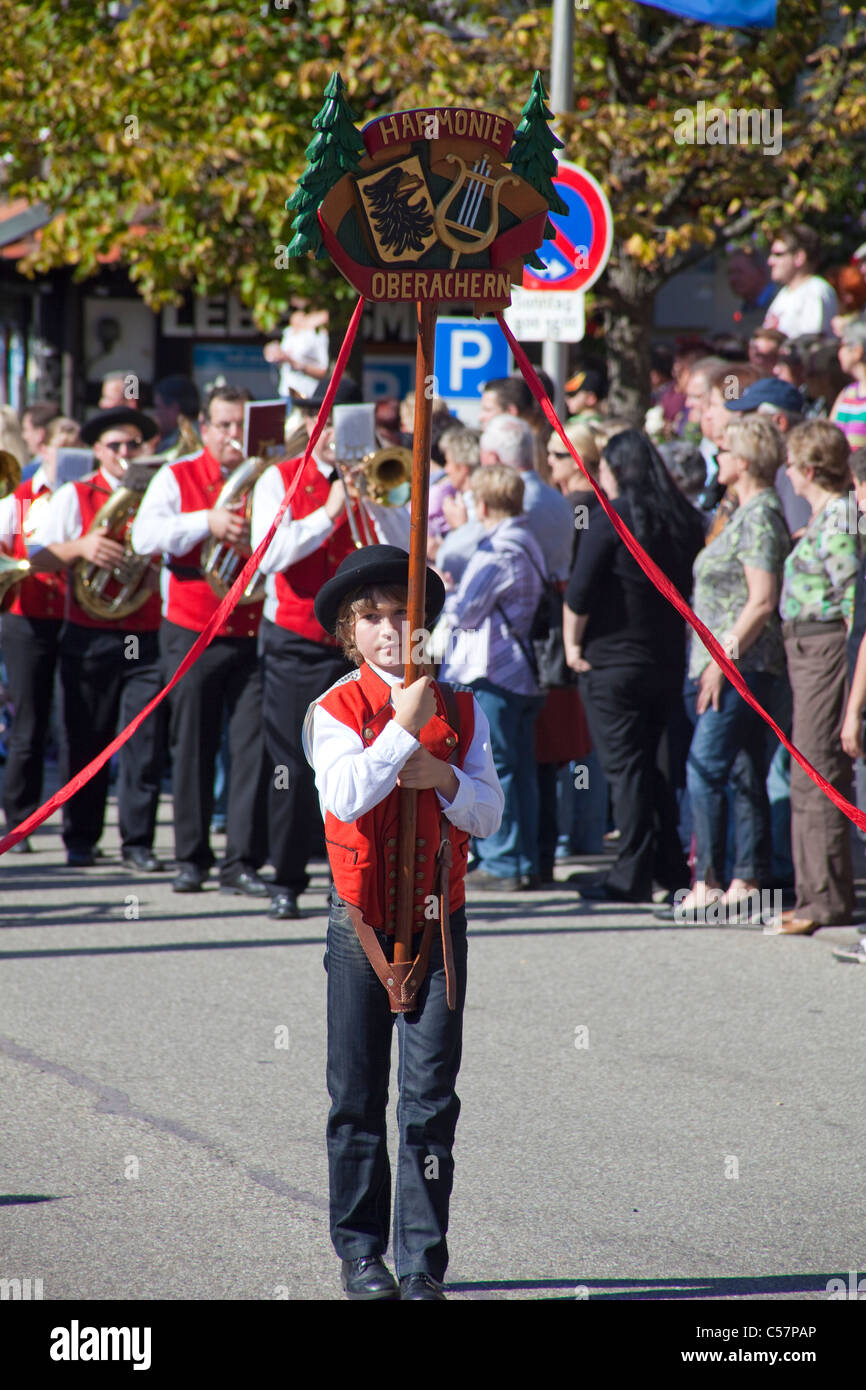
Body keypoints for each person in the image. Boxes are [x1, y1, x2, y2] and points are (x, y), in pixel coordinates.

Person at [306, 545, 502, 1300]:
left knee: (430, 1100)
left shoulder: (462, 706)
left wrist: (445, 776)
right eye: (373, 617)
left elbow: (488, 811)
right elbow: (345, 795)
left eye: (404, 615)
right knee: (355, 1097)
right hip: (361, 924)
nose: (391, 629)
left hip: (438, 925)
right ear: (349, 632)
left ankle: (422, 1262)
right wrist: (399, 731)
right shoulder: (332, 710)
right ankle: (361, 1255)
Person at [131, 384, 270, 896]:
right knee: (191, 743)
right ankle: (191, 857)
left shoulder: (267, 475)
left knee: (253, 748)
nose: (234, 435)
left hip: (252, 627)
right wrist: (206, 521)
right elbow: (144, 537)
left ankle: (243, 862)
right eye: (224, 425)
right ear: (205, 427)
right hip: (192, 628)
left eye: (241, 425)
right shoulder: (177, 474)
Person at [249, 376, 375, 921]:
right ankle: (288, 877)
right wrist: (328, 511)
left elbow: (400, 542)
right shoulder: (280, 479)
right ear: (312, 425)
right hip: (296, 642)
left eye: (346, 427)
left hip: (358, 647)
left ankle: (357, 878)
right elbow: (270, 554)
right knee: (294, 767)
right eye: (327, 425)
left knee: (363, 765)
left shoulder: (374, 478)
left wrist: (373, 501)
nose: (333, 438)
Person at [564, 430, 705, 903]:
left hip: (612, 662)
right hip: (666, 660)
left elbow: (579, 592)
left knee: (626, 769)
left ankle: (631, 875)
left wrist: (571, 646)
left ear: (617, 469)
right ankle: (668, 867)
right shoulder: (685, 518)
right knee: (657, 767)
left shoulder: (611, 518)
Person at [27, 406, 167, 869]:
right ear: (96, 450)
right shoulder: (75, 494)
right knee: (84, 738)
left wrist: (155, 575)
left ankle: (138, 844)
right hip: (89, 634)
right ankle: (81, 839)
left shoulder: (158, 494)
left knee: (144, 743)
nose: (124, 453)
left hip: (146, 633)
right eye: (115, 446)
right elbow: (38, 556)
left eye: (133, 445)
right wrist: (82, 547)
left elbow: (175, 552)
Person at [677, 418, 791, 918]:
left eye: (723, 451)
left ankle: (709, 881)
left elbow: (762, 600)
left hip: (742, 665)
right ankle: (747, 880)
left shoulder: (761, 514)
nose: (716, 458)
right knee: (743, 771)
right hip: (725, 663)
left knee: (704, 768)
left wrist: (722, 660)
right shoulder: (740, 511)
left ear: (743, 461)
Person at [438, 465, 545, 889]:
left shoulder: (501, 548)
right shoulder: (527, 540)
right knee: (518, 767)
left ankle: (505, 863)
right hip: (518, 671)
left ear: (482, 504)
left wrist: (445, 591)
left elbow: (465, 612)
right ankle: (526, 859)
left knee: (497, 766)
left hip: (495, 670)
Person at [772, 420, 860, 933]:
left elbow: (853, 598)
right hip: (805, 647)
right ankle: (812, 893)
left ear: (809, 468)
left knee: (818, 769)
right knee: (805, 770)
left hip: (826, 647)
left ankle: (825, 898)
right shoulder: (827, 516)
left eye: (791, 463)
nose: (787, 472)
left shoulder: (842, 516)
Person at [0, 413, 68, 850]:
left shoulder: (85, 493)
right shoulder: (18, 498)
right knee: (28, 721)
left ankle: (75, 824)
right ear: (43, 448)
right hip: (24, 616)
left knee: (72, 722)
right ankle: (19, 818)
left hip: (72, 616)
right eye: (61, 443)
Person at [763, 225, 839, 338]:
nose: (770, 261)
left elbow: (811, 345)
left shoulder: (815, 290)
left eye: (778, 254)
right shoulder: (784, 293)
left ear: (799, 257)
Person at [263, 299, 329, 402]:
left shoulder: (318, 334)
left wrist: (297, 364)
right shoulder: (289, 332)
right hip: (286, 391)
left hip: (306, 394)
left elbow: (323, 370)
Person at [831, 320, 866, 450]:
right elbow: (827, 438)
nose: (839, 352)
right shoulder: (847, 393)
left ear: (857, 351)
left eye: (842, 345)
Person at [152, 376, 201, 454]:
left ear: (174, 408)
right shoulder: (205, 432)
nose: (155, 414)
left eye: (158, 407)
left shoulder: (175, 442)